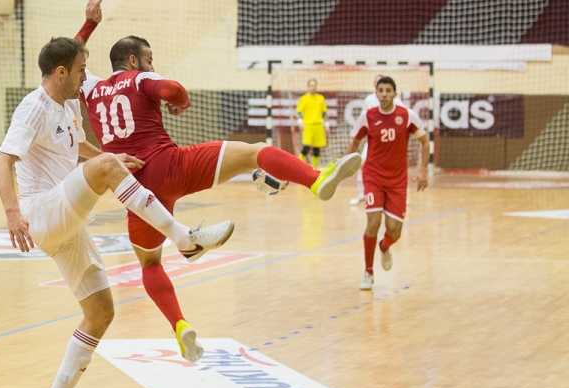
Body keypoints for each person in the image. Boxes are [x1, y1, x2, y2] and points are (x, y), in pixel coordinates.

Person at [74, 0, 361, 360]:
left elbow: (71, 58)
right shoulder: (141, 78)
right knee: (254, 150)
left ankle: (180, 326)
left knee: (151, 264)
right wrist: (181, 101)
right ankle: (315, 180)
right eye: (149, 59)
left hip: (133, 190)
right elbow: (174, 91)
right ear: (133, 61)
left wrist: (87, 26)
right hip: (171, 166)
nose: (152, 65)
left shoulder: (89, 88)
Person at [0, 33, 234, 388]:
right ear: (61, 72)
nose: (89, 77)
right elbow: (2, 163)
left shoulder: (68, 102)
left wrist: (87, 25)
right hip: (41, 212)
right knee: (105, 167)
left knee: (101, 312)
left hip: (65, 221)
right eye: (82, 69)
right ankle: (183, 237)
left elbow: (76, 143)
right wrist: (13, 213)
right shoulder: (33, 107)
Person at [344, 76, 430, 290]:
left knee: (394, 230)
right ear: (376, 93)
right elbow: (355, 142)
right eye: (380, 90)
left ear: (394, 94)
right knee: (372, 223)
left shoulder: (406, 115)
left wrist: (423, 170)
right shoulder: (367, 116)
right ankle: (368, 272)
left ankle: (385, 246)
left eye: (388, 90)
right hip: (373, 177)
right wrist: (342, 168)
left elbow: (425, 142)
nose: (383, 94)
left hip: (398, 181)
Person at [349, 75, 407, 206]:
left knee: (397, 168)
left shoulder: (395, 100)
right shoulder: (369, 99)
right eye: (377, 83)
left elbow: (405, 114)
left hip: (390, 142)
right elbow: (365, 118)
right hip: (373, 140)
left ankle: (404, 196)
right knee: (362, 164)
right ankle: (361, 194)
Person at [295, 79, 328, 169]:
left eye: (314, 85)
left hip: (318, 126)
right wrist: (300, 122)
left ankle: (314, 169)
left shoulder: (320, 98)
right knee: (306, 147)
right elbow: (298, 112)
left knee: (317, 149)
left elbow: (324, 112)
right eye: (311, 85)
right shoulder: (304, 99)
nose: (313, 87)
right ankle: (298, 167)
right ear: (308, 87)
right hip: (308, 126)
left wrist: (327, 124)